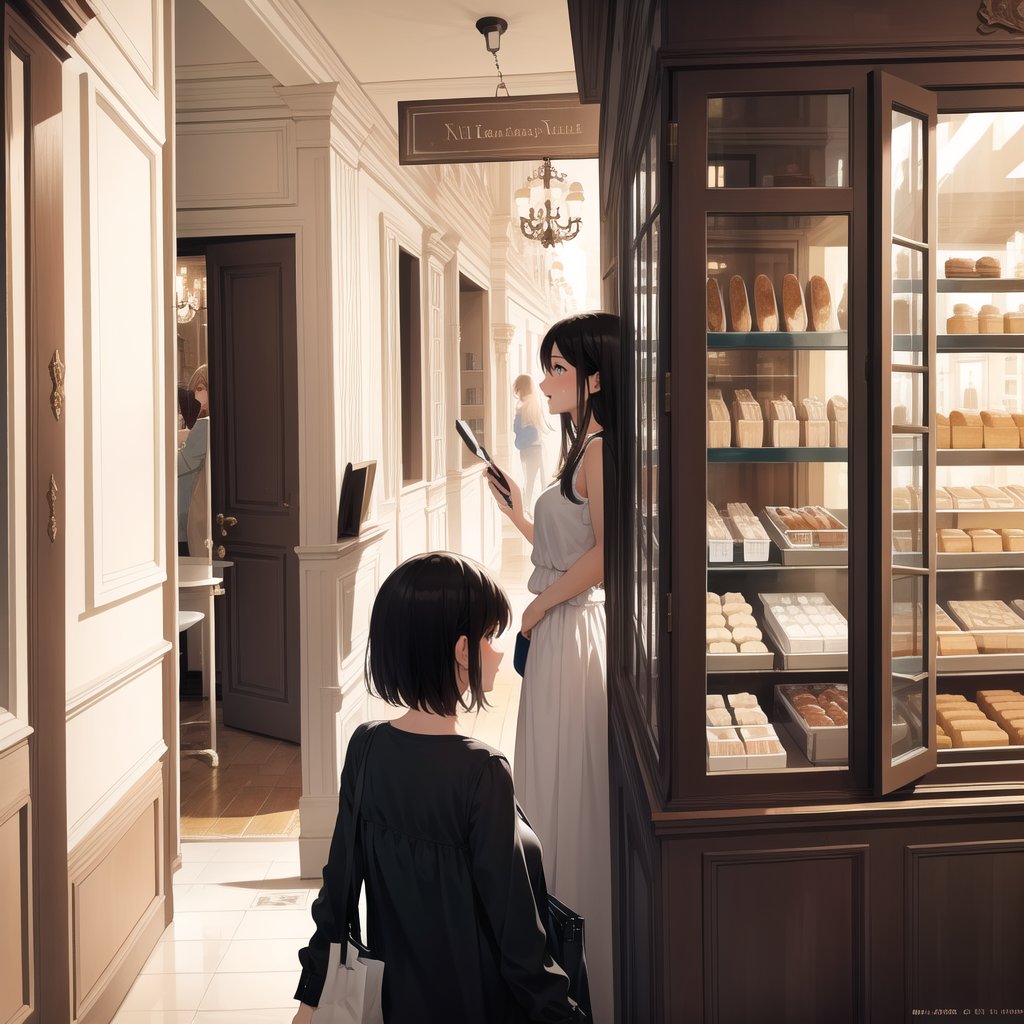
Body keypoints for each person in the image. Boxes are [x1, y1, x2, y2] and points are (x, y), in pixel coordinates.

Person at [292, 552, 583, 1024]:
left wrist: (309, 1006)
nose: (498, 651)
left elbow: (336, 901)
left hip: (397, 1006)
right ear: (461, 650)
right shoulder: (483, 773)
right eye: (490, 636)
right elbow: (520, 946)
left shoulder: (365, 750)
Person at [484, 312, 620, 1024]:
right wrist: (516, 514)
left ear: (595, 377)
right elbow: (568, 550)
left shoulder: (600, 446)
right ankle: (554, 965)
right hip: (564, 627)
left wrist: (536, 612)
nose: (545, 380)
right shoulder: (581, 446)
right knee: (550, 785)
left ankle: (575, 971)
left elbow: (605, 555)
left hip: (573, 632)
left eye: (558, 368)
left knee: (566, 789)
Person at [176, 363, 209, 556]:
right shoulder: (202, 423)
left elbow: (181, 464)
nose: (197, 394)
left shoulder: (204, 425)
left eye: (201, 388)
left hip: (187, 512)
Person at [513, 373, 547, 509]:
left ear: (524, 388)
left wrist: (520, 436)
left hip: (531, 448)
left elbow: (532, 430)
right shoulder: (527, 403)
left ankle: (528, 510)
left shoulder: (529, 403)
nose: (518, 393)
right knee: (530, 481)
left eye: (519, 389)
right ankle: (529, 510)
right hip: (530, 448)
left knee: (531, 482)